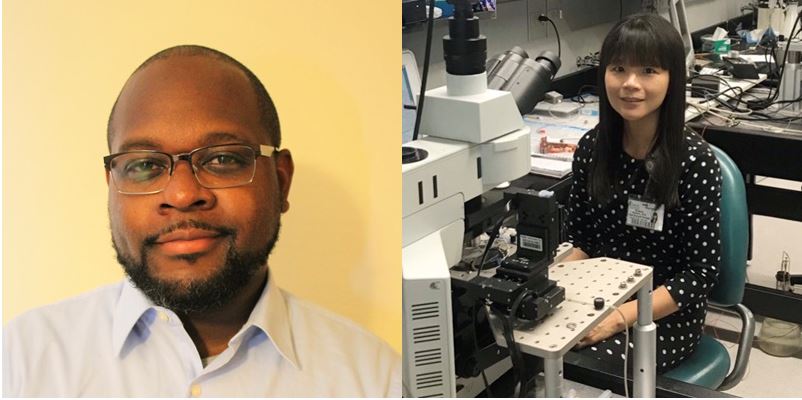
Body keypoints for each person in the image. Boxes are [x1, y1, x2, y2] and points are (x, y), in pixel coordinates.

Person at [3, 45, 400, 397]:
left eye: (223, 159)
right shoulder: (20, 362)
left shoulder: (376, 379)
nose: (181, 195)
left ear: (281, 181)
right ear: (112, 188)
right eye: (144, 165)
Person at [565, 14, 721, 373]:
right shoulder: (592, 148)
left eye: (648, 70)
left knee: (580, 368)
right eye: (618, 68)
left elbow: (701, 272)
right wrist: (547, 288)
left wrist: (621, 318)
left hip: (665, 313)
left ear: (672, 79)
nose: (630, 84)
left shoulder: (694, 161)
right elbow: (582, 242)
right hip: (597, 296)